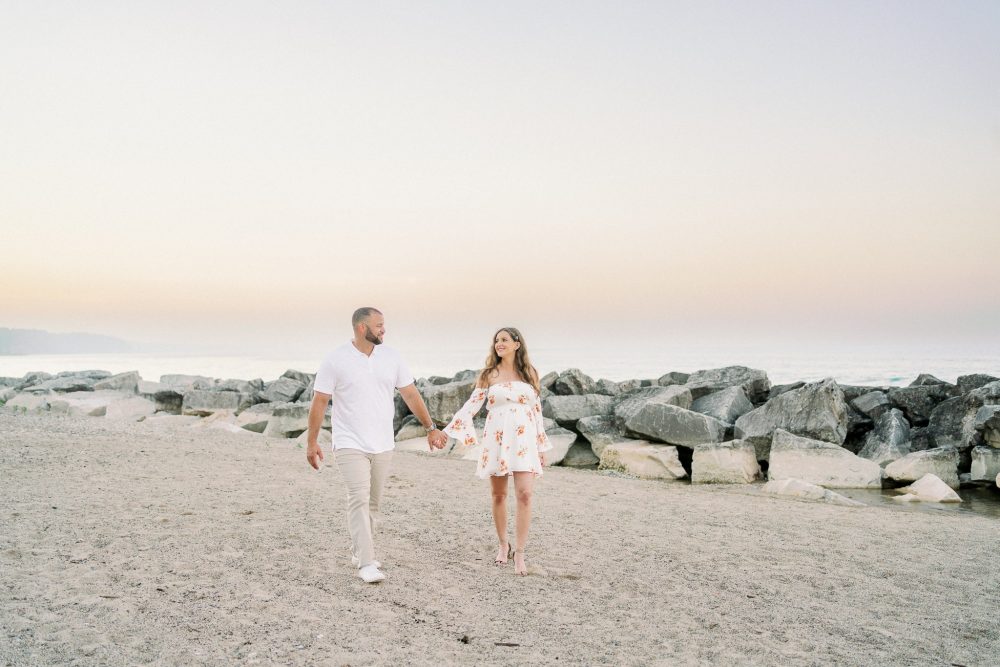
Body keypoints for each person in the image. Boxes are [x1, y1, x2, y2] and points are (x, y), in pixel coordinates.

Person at [306, 307, 448, 584]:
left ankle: (361, 552)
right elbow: (320, 401)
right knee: (358, 498)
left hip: (383, 441)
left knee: (373, 503)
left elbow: (409, 393)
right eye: (379, 325)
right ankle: (367, 564)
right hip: (349, 441)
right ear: (362, 328)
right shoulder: (335, 359)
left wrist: (430, 428)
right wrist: (311, 442)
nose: (384, 329)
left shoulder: (392, 357)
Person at [443, 327, 551, 576]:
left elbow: (537, 412)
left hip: (525, 440)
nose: (498, 343)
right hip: (497, 439)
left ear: (516, 344)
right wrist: (448, 432)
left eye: (504, 340)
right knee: (499, 495)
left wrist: (541, 445)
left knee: (525, 495)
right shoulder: (489, 374)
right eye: (496, 340)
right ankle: (504, 544)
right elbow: (471, 406)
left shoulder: (530, 373)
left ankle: (520, 553)